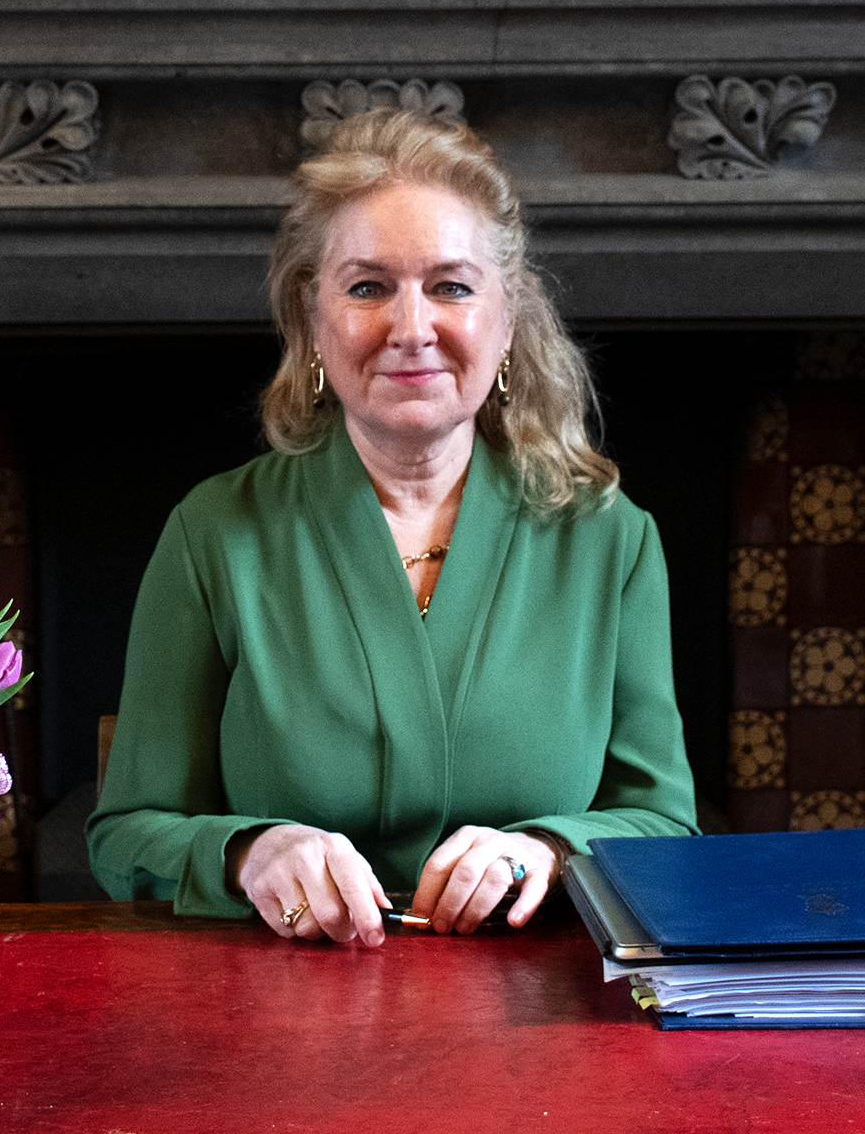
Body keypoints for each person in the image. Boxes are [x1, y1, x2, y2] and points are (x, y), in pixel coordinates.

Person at [87, 109, 697, 947]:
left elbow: (664, 823)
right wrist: (250, 854)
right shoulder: (215, 532)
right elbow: (125, 838)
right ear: (312, 319)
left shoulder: (611, 540)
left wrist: (549, 850)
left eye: (451, 286)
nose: (411, 329)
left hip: (537, 1019)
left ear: (506, 320)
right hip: (281, 1016)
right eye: (368, 286)